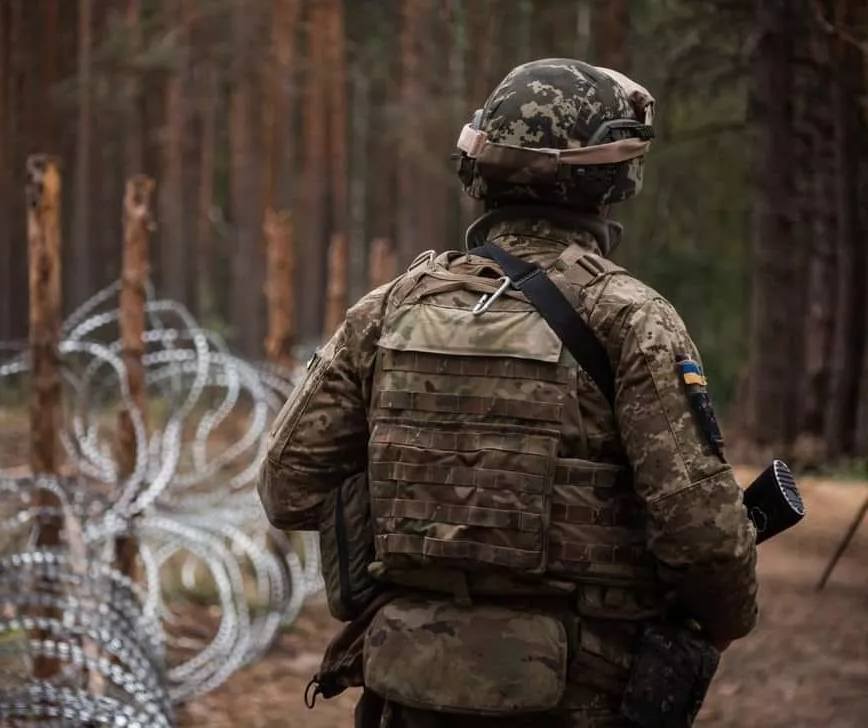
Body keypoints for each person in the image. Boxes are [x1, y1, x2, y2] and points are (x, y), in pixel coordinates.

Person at [257, 58, 759, 728]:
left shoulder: (389, 309)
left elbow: (288, 487)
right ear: (613, 177)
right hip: (573, 696)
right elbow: (705, 538)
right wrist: (721, 622)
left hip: (408, 687)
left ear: (478, 168)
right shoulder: (631, 318)